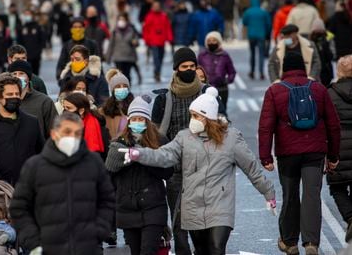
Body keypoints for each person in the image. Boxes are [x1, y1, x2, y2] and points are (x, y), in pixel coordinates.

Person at [120, 87, 276, 255]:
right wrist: (139, 154)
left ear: (208, 118)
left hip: (219, 206)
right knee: (201, 250)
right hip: (192, 206)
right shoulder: (184, 138)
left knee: (217, 248)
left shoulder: (231, 139)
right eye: (191, 115)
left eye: (196, 116)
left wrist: (269, 193)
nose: (191, 120)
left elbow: (251, 168)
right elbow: (164, 155)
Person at [259, 52, 341, 255]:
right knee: (312, 195)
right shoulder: (319, 89)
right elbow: (333, 125)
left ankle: (290, 241)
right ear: (303, 68)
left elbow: (265, 127)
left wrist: (265, 157)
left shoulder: (275, 91)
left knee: (290, 195)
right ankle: (311, 243)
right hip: (315, 151)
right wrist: (333, 156)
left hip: (287, 153)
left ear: (283, 69)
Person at [151, 47, 226, 255]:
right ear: (176, 69)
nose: (189, 70)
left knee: (204, 218)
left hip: (205, 168)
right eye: (185, 67)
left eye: (193, 66)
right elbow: (154, 133)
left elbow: (224, 125)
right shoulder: (164, 99)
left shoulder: (208, 94)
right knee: (179, 219)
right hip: (176, 170)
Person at [9, 112, 115, 255]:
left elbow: (107, 200)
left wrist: (99, 231)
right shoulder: (34, 166)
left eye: (77, 133)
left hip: (88, 248)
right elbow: (19, 208)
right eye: (67, 132)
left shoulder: (94, 163)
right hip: (48, 249)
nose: (72, 137)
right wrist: (33, 242)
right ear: (54, 134)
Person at [105, 95, 173, 255]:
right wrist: (122, 160)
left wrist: (143, 156)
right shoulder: (120, 142)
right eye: (133, 118)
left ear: (147, 121)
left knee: (148, 251)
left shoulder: (160, 140)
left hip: (153, 206)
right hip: (128, 208)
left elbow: (168, 171)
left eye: (140, 119)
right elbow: (108, 174)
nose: (136, 122)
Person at [0, 73, 44, 185]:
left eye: (17, 94)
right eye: (9, 94)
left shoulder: (32, 122)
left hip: (29, 186)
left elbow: (42, 152)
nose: (14, 97)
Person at [327, 55, 352, 243]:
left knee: (337, 187)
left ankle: (351, 217)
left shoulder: (331, 93)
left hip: (339, 145)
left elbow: (326, 123)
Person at [8, 60, 58, 139]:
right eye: (14, 74)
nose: (17, 77)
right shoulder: (4, 100)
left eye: (21, 73)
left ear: (29, 78)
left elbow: (55, 130)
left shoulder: (44, 102)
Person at [198, 31, 236, 109]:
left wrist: (226, 81)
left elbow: (232, 72)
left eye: (214, 40)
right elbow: (196, 71)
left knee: (221, 112)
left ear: (218, 42)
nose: (211, 43)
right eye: (209, 41)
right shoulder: (202, 56)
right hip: (205, 90)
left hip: (221, 90)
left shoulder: (224, 55)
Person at [63, 92, 106, 157]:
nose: (65, 111)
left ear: (81, 111)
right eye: (64, 108)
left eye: (69, 108)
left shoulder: (93, 125)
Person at [142, 1, 173, 82]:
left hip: (162, 41)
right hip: (153, 41)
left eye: (158, 6)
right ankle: (157, 72)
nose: (156, 8)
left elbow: (167, 27)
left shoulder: (163, 16)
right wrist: (146, 40)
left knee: (161, 57)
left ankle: (157, 71)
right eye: (155, 6)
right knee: (156, 58)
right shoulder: (149, 16)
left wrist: (169, 38)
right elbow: (145, 29)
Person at [242, 0, 272, 80]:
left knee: (252, 54)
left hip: (251, 35)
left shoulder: (248, 12)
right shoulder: (263, 12)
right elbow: (269, 24)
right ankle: (261, 72)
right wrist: (267, 34)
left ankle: (252, 71)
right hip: (261, 35)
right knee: (261, 54)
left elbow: (244, 22)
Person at [100, 69, 134, 140]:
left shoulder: (134, 107)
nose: (122, 88)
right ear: (112, 90)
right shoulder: (104, 110)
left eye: (125, 86)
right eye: (118, 86)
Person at [107, 13, 140, 85]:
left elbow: (137, 41)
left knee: (127, 74)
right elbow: (111, 45)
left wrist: (135, 42)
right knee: (120, 75)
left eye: (123, 20)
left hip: (129, 57)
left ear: (126, 21)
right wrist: (108, 58)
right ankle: (121, 87)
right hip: (118, 57)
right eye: (120, 20)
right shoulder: (115, 31)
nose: (121, 21)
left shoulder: (131, 30)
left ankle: (128, 87)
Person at [17, 8, 45, 75]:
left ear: (32, 16)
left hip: (36, 55)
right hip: (25, 55)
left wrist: (39, 50)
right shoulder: (22, 27)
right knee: (26, 73)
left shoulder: (37, 26)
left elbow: (42, 39)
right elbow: (19, 40)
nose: (27, 16)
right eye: (26, 14)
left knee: (35, 73)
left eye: (28, 14)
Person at [309, 19, 334, 86]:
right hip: (316, 70)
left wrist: (325, 46)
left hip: (327, 69)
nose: (318, 32)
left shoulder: (328, 37)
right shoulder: (310, 40)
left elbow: (332, 55)